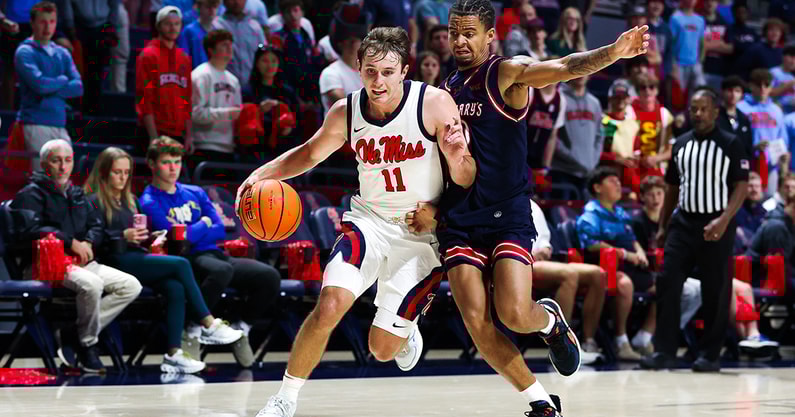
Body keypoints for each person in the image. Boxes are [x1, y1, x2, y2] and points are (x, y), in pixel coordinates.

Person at [422, 0, 649, 414]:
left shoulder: (506, 73)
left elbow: (563, 67)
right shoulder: (445, 91)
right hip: (458, 218)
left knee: (513, 313)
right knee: (476, 322)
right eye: (454, 32)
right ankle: (540, 402)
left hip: (506, 214)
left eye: (468, 32)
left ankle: (548, 322)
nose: (459, 40)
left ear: (490, 35)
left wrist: (612, 53)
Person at [240, 26, 476, 417]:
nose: (378, 81)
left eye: (387, 72)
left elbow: (467, 179)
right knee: (330, 303)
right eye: (370, 72)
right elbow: (311, 152)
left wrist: (452, 165)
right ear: (358, 68)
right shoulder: (346, 110)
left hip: (421, 234)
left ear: (404, 70)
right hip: (367, 221)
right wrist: (261, 175)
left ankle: (406, 325)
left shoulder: (434, 103)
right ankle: (285, 398)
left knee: (381, 350)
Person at [83, 147, 242, 374]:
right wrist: (121, 236)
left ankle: (173, 354)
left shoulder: (131, 200)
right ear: (105, 172)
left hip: (135, 256)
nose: (122, 177)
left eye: (126, 172)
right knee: (181, 264)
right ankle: (208, 323)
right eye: (117, 172)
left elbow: (142, 235)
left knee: (175, 288)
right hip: (111, 260)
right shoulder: (93, 201)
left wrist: (152, 238)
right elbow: (94, 238)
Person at [140, 136, 281, 368]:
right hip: (183, 260)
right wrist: (203, 223)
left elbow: (221, 230)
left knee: (268, 276)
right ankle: (193, 329)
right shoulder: (148, 201)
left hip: (214, 254)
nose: (173, 167)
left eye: (177, 161)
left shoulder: (194, 192)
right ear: (152, 164)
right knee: (221, 270)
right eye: (166, 162)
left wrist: (194, 230)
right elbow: (177, 239)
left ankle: (240, 329)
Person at [641, 89, 750, 373]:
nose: (698, 114)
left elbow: (741, 186)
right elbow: (672, 188)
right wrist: (664, 226)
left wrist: (725, 219)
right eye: (693, 109)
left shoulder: (731, 143)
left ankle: (710, 354)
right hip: (684, 223)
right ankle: (664, 351)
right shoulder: (680, 144)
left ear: (715, 111)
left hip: (717, 224)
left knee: (716, 289)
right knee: (668, 282)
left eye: (703, 109)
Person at [11, 139, 142, 373]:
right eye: (56, 161)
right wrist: (71, 242)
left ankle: (75, 333)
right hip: (44, 264)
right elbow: (31, 230)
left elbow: (96, 226)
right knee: (92, 284)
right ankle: (89, 343)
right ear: (44, 164)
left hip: (80, 262)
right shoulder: (30, 194)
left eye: (68, 160)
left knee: (130, 285)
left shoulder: (77, 193)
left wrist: (90, 242)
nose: (63, 167)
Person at [577, 167, 653, 360]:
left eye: (619, 181)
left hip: (631, 265)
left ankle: (644, 337)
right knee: (625, 285)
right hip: (607, 267)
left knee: (667, 285)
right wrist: (626, 255)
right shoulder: (591, 213)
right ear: (597, 187)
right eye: (612, 181)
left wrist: (640, 251)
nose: (618, 184)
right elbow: (591, 244)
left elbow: (632, 238)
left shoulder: (621, 212)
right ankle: (621, 341)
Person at [530, 198, 606, 364]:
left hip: (542, 261)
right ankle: (562, 346)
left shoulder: (532, 205)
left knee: (598, 274)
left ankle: (588, 342)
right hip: (520, 263)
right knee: (569, 274)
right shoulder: (502, 204)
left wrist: (545, 249)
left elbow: (544, 240)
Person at [14, 1, 82, 169]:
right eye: (43, 22)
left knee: (63, 178)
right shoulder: (25, 52)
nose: (48, 27)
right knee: (42, 178)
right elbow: (39, 85)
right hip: (35, 123)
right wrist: (62, 80)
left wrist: (52, 84)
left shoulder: (62, 53)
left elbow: (78, 87)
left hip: (60, 122)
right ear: (33, 23)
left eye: (52, 21)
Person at [135, 6, 192, 153]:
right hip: (155, 131)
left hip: (177, 133)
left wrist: (189, 135)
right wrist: (153, 137)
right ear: (158, 26)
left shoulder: (184, 58)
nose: (173, 28)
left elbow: (187, 100)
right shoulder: (148, 55)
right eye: (168, 23)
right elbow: (144, 98)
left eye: (177, 24)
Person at [190, 29, 243, 167]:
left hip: (228, 147)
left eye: (230, 44)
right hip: (204, 145)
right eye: (224, 44)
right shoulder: (201, 75)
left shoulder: (234, 80)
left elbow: (238, 114)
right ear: (211, 50)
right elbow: (195, 114)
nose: (229, 48)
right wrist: (227, 113)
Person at [550, 75, 604, 199]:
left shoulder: (594, 102)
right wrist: (573, 158)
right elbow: (552, 136)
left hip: (588, 172)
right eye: (578, 69)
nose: (581, 74)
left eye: (585, 70)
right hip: (563, 170)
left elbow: (600, 136)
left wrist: (592, 161)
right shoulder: (559, 97)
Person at [737, 69, 790, 196]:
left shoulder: (776, 110)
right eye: (758, 85)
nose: (762, 88)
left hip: (770, 166)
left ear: (771, 87)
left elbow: (782, 139)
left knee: (768, 203)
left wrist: (783, 155)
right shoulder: (741, 107)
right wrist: (753, 147)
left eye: (766, 85)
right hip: (746, 164)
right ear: (751, 86)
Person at [318, 2, 367, 116]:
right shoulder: (330, 73)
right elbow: (345, 106)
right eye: (348, 41)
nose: (352, 45)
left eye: (356, 40)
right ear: (340, 44)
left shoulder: (370, 72)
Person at [212, 0, 266, 85]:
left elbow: (264, 56)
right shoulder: (216, 26)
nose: (236, 2)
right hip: (225, 84)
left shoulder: (255, 27)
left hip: (253, 86)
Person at [525, 73, 564, 174]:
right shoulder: (531, 91)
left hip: (538, 156)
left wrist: (546, 165)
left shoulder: (561, 100)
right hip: (520, 150)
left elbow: (552, 136)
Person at [668, 0, 706, 99]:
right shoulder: (675, 18)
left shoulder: (700, 20)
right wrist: (673, 65)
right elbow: (670, 43)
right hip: (679, 64)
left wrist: (700, 61)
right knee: (678, 98)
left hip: (695, 64)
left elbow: (702, 42)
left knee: (699, 95)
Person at [177, 0, 221, 69]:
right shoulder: (189, 31)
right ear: (198, 7)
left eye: (215, 7)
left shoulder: (218, 31)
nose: (212, 10)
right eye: (208, 7)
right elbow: (183, 59)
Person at [719, 76, 753, 160]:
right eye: (730, 90)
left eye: (737, 91)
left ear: (742, 95)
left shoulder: (744, 118)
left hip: (739, 166)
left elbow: (747, 147)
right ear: (722, 92)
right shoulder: (713, 116)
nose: (733, 94)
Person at [700, 0, 731, 92]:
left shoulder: (724, 22)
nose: (710, 3)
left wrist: (706, 45)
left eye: (713, 1)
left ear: (717, 3)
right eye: (707, 1)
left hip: (718, 70)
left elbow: (730, 48)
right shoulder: (698, 20)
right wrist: (719, 44)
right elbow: (697, 46)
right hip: (701, 68)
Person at [770, 43, 795, 115]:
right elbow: (768, 93)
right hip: (776, 112)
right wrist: (788, 85)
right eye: (791, 57)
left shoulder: (792, 76)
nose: (793, 61)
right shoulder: (773, 72)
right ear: (783, 57)